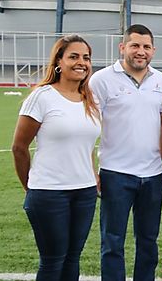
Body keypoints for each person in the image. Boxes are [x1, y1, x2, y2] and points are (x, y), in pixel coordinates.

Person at [11, 35, 101, 281]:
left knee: (73, 257)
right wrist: (30, 188)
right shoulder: (42, 97)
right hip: (49, 192)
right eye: (73, 56)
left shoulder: (89, 100)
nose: (81, 62)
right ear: (59, 62)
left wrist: (92, 174)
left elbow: (87, 145)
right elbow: (19, 147)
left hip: (84, 193)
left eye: (86, 57)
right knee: (53, 261)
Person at [89, 24, 162, 281]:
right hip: (115, 174)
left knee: (148, 241)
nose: (141, 51)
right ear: (122, 47)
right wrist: (94, 170)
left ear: (153, 50)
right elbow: (88, 127)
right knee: (112, 241)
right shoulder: (100, 80)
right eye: (135, 45)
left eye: (146, 47)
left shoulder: (161, 80)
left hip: (153, 175)